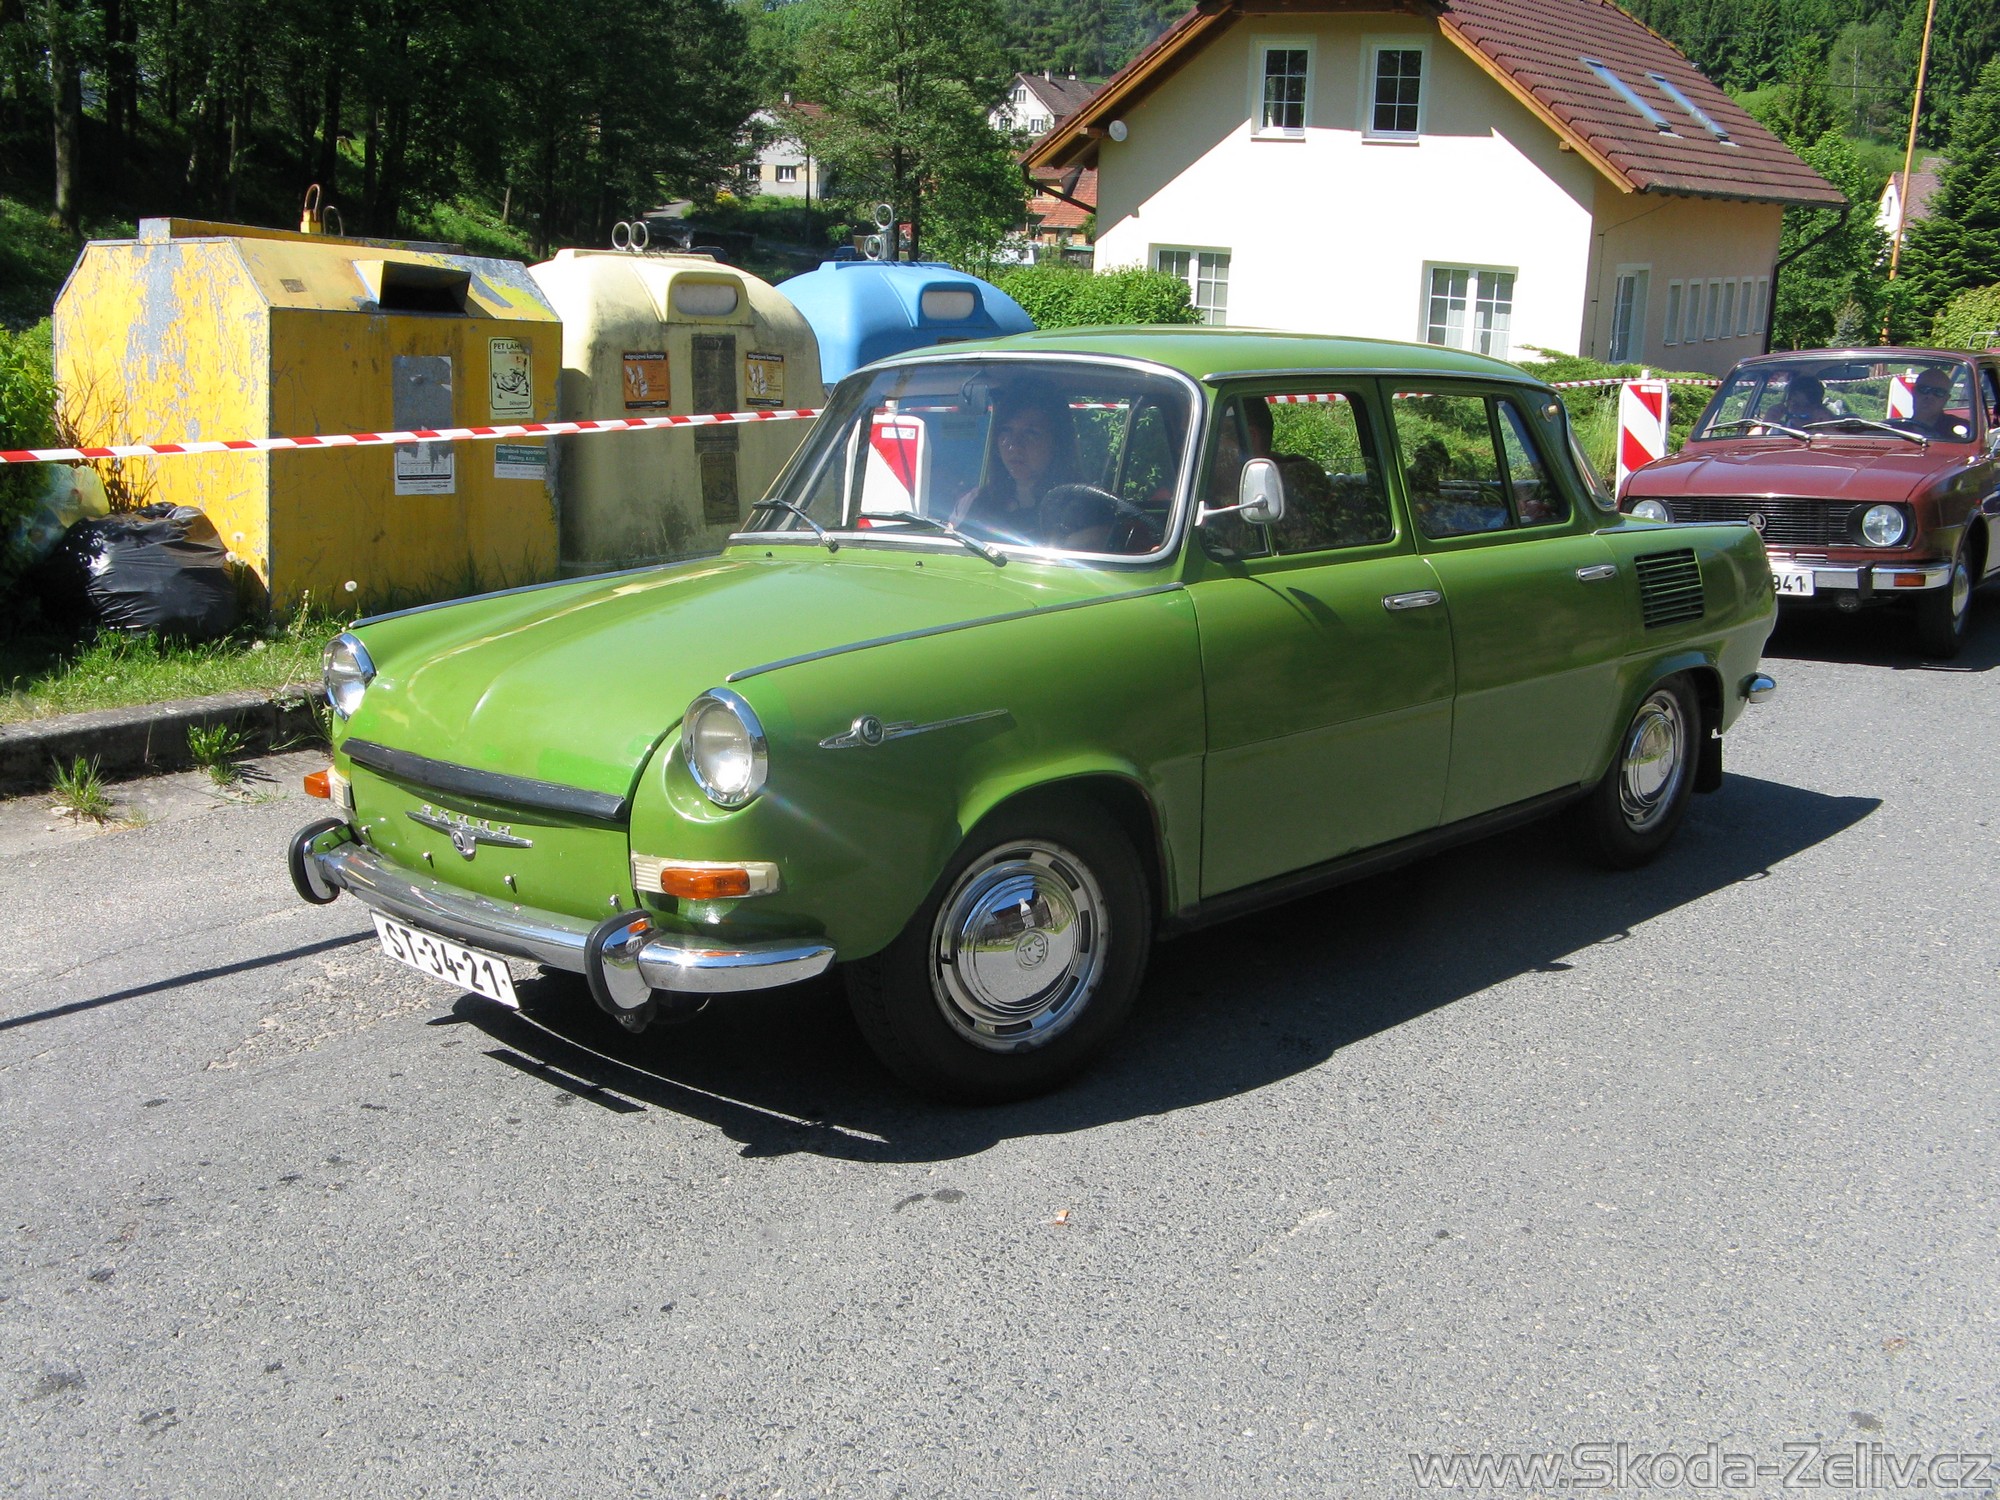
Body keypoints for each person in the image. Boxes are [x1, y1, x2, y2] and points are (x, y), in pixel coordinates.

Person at [950, 389, 1083, 546]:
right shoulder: (974, 502)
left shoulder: (1080, 509)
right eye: (1006, 431)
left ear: (1057, 443)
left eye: (1030, 433)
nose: (1014, 446)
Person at [1895, 368, 1972, 440]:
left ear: (1946, 399)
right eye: (1924, 389)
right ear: (1914, 392)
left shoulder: (1964, 431)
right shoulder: (1894, 429)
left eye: (1938, 392)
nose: (1930, 396)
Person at [1769, 373, 1834, 429]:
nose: (1798, 409)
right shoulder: (1777, 430)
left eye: (1806, 405)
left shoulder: (1826, 431)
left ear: (1817, 407)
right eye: (1794, 403)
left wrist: (1827, 425)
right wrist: (1768, 421)